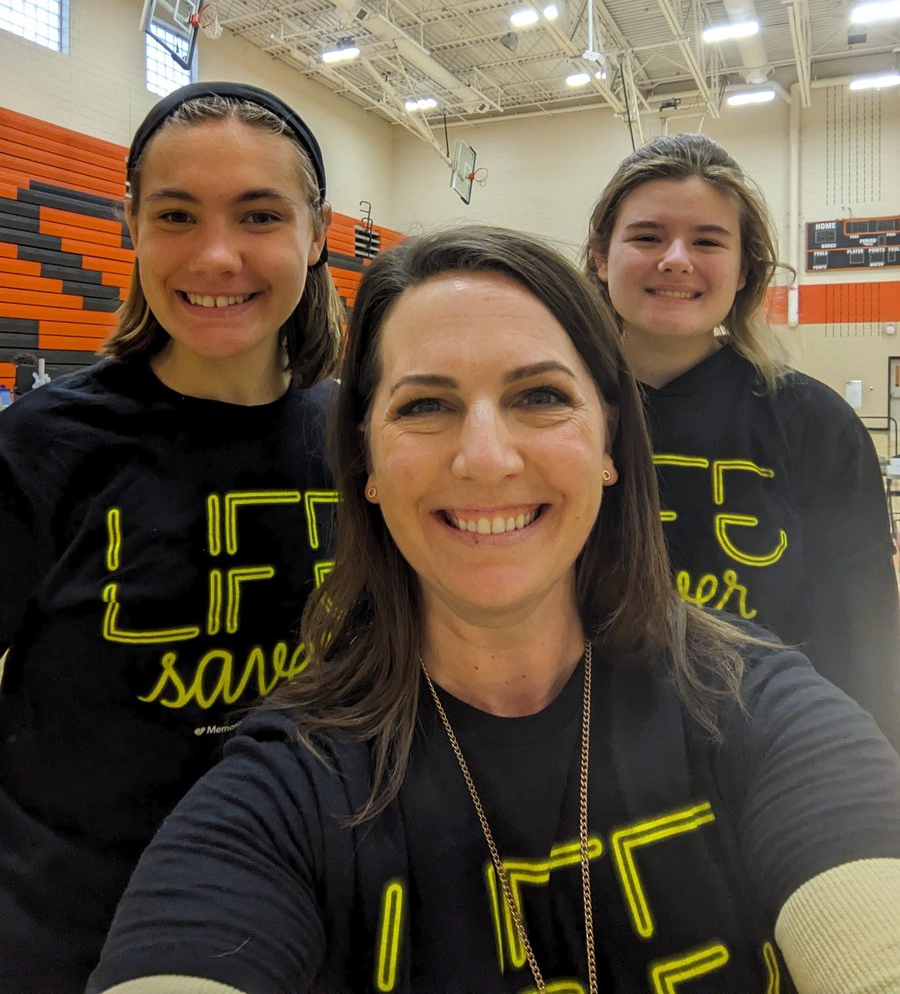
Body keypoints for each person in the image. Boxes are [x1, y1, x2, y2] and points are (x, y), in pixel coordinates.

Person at [89, 226, 899, 994]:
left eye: (540, 396)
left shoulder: (756, 707)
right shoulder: (289, 784)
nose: (485, 459)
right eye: (424, 406)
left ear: (609, 442)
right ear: (364, 457)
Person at [0, 81, 345, 992]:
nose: (218, 254)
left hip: (313, 914)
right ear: (133, 228)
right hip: (73, 933)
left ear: (317, 236)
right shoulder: (42, 445)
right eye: (178, 214)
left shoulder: (367, 438)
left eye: (259, 215)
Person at [584, 133, 900, 749]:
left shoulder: (816, 423)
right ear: (601, 255)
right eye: (647, 237)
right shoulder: (542, 409)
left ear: (744, 268)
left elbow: (862, 631)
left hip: (764, 746)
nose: (676, 259)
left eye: (707, 241)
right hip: (586, 744)